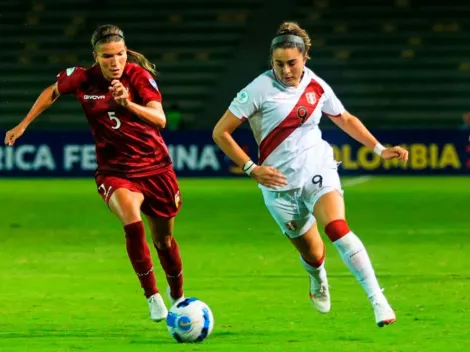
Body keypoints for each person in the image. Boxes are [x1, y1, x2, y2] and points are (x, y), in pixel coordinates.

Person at [212, 21, 408, 327]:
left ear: (305, 58)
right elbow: (221, 132)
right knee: (314, 254)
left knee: (337, 229)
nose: (286, 71)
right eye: (279, 64)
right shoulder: (257, 90)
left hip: (317, 169)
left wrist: (379, 149)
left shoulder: (316, 86)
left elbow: (343, 118)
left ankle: (378, 301)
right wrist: (252, 168)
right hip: (279, 185)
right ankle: (318, 276)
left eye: (292, 63)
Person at [4, 24, 185, 322]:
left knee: (164, 241)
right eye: (107, 56)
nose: (115, 62)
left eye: (120, 54)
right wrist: (24, 124)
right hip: (115, 170)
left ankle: (177, 294)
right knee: (132, 220)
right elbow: (52, 92)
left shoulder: (139, 77)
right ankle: (152, 295)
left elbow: (160, 119)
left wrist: (127, 104)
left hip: (155, 169)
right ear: (95, 56)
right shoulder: (82, 79)